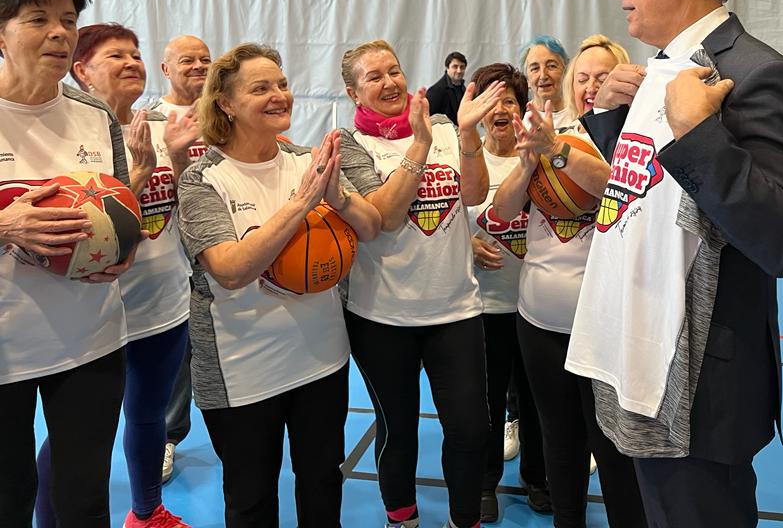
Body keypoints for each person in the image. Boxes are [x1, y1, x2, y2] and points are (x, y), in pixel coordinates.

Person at [564, 0, 783, 528]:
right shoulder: (660, 72)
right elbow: (644, 199)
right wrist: (615, 118)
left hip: (700, 393)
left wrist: (698, 133)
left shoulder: (757, 74)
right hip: (643, 363)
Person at [176, 43, 381, 528]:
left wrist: (339, 199)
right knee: (250, 499)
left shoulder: (306, 160)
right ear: (226, 103)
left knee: (323, 483)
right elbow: (229, 269)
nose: (279, 95)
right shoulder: (203, 179)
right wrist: (301, 204)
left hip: (321, 359)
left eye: (282, 84)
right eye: (260, 88)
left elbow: (371, 226)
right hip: (242, 371)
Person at [34, 24, 199, 528]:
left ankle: (147, 513)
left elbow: (184, 214)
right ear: (81, 71)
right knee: (76, 436)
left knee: (150, 419)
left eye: (135, 54)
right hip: (96, 316)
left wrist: (175, 158)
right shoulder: (68, 139)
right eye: (115, 56)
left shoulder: (162, 123)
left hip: (164, 306)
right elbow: (79, 229)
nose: (132, 62)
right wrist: (140, 176)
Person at [338, 39, 504, 528]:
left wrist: (468, 135)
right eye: (375, 77)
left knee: (471, 429)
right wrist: (419, 145)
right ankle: (402, 518)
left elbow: (472, 193)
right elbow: (384, 216)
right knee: (399, 429)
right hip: (382, 316)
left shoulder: (444, 129)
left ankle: (463, 519)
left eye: (395, 71)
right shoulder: (352, 145)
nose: (390, 82)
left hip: (455, 309)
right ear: (353, 92)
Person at [0, 0, 139, 528]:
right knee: (8, 498)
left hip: (90, 339)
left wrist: (117, 248)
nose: (60, 32)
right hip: (6, 347)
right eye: (37, 18)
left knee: (83, 498)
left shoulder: (93, 114)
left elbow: (121, 206)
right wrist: (6, 226)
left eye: (67, 18)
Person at [492, 36, 646, 528]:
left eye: (603, 77)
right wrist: (526, 165)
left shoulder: (635, 142)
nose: (592, 87)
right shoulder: (552, 133)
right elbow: (501, 211)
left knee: (612, 442)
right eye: (583, 77)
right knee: (559, 437)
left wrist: (556, 153)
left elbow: (615, 183)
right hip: (540, 318)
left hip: (607, 324)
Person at [464, 63, 548, 523]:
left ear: (521, 109)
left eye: (509, 101)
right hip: (484, 307)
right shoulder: (466, 158)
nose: (500, 110)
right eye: (491, 102)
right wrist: (465, 243)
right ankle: (483, 483)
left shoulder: (538, 156)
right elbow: (435, 220)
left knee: (537, 401)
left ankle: (537, 477)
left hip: (534, 306)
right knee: (488, 402)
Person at [152, 34, 211, 483]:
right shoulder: (149, 120)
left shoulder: (223, 117)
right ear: (166, 68)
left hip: (220, 250)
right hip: (170, 257)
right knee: (174, 357)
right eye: (187, 60)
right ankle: (166, 438)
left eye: (205, 59)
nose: (198, 66)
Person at [521, 35, 575, 130]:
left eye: (551, 66)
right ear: (527, 80)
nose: (543, 76)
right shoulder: (519, 118)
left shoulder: (579, 113)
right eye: (535, 68)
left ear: (566, 72)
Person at [426, 50, 468, 124]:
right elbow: (429, 120)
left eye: (462, 67)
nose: (459, 70)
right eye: (455, 66)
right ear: (447, 67)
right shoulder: (435, 91)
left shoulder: (463, 88)